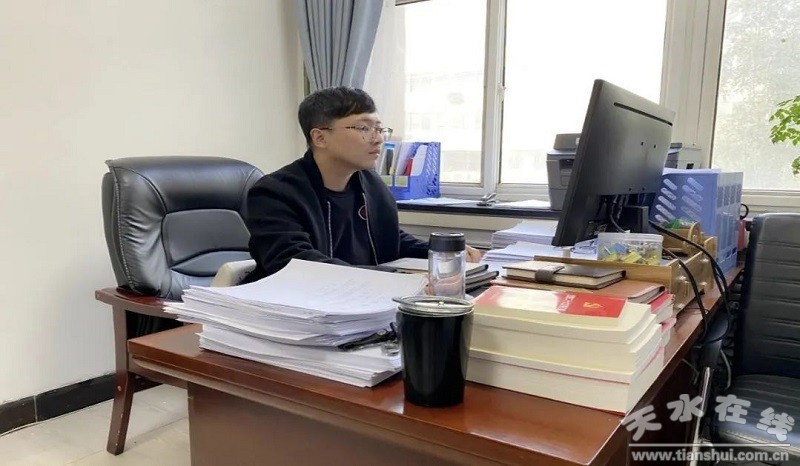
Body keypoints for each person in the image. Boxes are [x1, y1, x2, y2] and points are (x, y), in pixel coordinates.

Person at [244, 86, 480, 282]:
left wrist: (440, 250)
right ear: (320, 137)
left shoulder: (371, 185)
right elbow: (297, 265)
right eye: (364, 128)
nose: (378, 139)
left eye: (379, 129)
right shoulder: (274, 193)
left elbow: (388, 238)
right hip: (294, 308)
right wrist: (394, 279)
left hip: (361, 301)